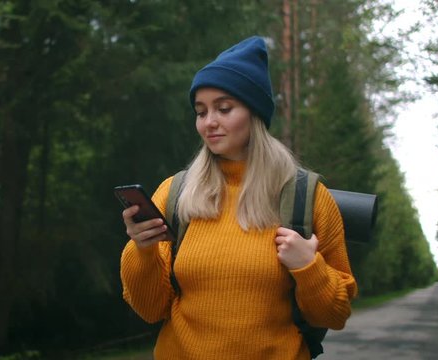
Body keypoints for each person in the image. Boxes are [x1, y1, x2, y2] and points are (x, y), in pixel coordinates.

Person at [120, 36, 357, 359]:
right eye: (201, 112)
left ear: (255, 112)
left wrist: (309, 267)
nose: (209, 122)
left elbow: (335, 314)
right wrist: (143, 251)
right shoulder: (176, 193)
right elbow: (150, 310)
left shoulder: (307, 196)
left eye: (224, 108)